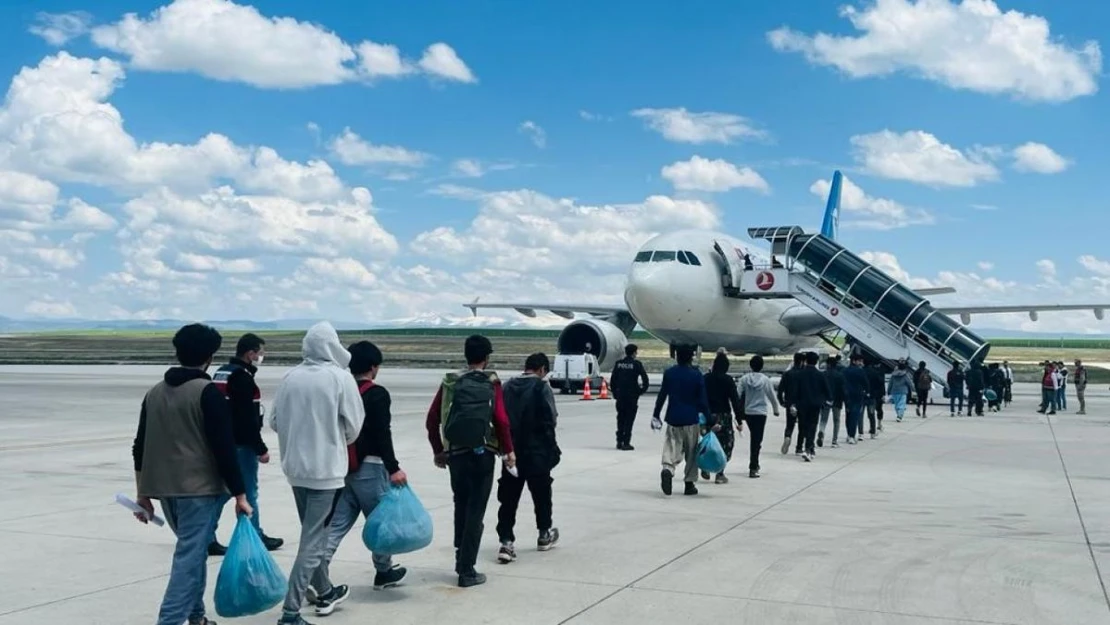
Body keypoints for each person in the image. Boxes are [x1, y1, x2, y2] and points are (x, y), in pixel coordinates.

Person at [132, 323, 251, 625]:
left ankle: (196, 616)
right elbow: (224, 448)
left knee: (194, 554)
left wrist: (143, 494)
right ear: (210, 357)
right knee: (187, 560)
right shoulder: (207, 392)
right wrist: (240, 494)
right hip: (198, 490)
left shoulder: (154, 392)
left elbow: (139, 446)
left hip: (164, 489)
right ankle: (170, 620)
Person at [269, 321, 365, 624]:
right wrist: (331, 438)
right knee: (312, 543)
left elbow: (273, 421)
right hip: (326, 473)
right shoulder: (340, 378)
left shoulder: (290, 377)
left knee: (313, 536)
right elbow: (354, 426)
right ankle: (290, 611)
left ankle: (324, 590)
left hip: (295, 470)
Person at [309, 341, 407, 605]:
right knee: (380, 523)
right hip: (371, 467)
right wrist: (393, 467)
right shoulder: (376, 394)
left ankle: (316, 577)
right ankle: (383, 571)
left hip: (342, 467)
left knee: (337, 525)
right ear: (374, 368)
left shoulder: (339, 389)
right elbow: (381, 433)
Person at [425, 335, 516, 588]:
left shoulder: (451, 382)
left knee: (461, 505)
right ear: (487, 358)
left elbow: (432, 419)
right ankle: (467, 570)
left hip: (456, 455)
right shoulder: (491, 382)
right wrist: (508, 451)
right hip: (483, 454)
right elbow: (501, 419)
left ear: (466, 355)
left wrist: (438, 450)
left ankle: (459, 557)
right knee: (476, 510)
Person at [208, 333, 283, 556]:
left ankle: (205, 534)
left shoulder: (221, 372)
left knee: (222, 491)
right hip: (240, 444)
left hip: (220, 442)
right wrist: (260, 448)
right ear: (250, 353)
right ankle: (255, 535)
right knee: (248, 492)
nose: (262, 356)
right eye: (260, 352)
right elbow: (246, 418)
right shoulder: (242, 378)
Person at [496, 353, 561, 564]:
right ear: (542, 369)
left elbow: (499, 417)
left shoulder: (507, 387)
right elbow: (551, 418)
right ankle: (544, 533)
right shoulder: (542, 388)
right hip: (537, 452)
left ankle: (506, 541)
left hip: (511, 452)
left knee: (508, 499)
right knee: (541, 495)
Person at [653, 345, 713, 495]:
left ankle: (668, 469)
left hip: (673, 417)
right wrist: (709, 418)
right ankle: (689, 484)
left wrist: (656, 414)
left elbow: (662, 395)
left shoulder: (669, 373)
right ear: (691, 358)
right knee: (691, 453)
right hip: (691, 419)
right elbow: (702, 400)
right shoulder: (696, 375)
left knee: (671, 447)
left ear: (676, 357)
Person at [702, 351, 744, 483]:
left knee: (707, 441)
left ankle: (705, 466)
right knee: (726, 444)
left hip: (708, 414)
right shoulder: (728, 380)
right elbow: (734, 400)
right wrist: (739, 419)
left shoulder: (705, 378)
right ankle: (720, 473)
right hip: (723, 415)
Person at [738, 355, 780, 478]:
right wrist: (776, 409)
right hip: (761, 413)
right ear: (762, 366)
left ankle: (754, 464)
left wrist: (737, 411)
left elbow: (737, 394)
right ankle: (753, 466)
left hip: (748, 412)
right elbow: (771, 395)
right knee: (757, 440)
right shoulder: (765, 380)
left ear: (750, 365)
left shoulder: (744, 379)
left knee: (754, 438)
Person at [610, 343, 650, 450]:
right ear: (633, 353)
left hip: (621, 396)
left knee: (620, 419)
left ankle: (619, 441)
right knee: (629, 420)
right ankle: (626, 442)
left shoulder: (619, 364)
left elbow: (613, 380)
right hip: (632, 396)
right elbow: (645, 379)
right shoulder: (637, 364)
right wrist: (641, 391)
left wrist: (615, 392)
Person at [792, 351, 829, 461]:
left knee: (803, 426)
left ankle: (807, 447)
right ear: (817, 361)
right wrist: (826, 400)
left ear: (806, 360)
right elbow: (826, 390)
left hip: (802, 404)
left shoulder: (799, 374)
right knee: (812, 426)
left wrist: (793, 403)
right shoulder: (820, 375)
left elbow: (795, 390)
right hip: (815, 405)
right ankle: (808, 448)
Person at [778, 352, 805, 455]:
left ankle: (788, 437)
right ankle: (799, 448)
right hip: (802, 403)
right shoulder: (804, 374)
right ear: (802, 362)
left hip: (790, 402)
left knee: (790, 424)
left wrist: (781, 401)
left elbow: (780, 389)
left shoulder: (787, 374)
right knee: (802, 426)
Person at [818, 355, 845, 449]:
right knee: (836, 420)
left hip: (825, 400)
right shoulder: (840, 375)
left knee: (823, 419)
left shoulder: (823, 374)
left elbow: (820, 389)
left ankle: (821, 431)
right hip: (837, 400)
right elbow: (842, 389)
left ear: (828, 364)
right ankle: (834, 441)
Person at [843, 354, 870, 442]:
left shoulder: (845, 371)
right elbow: (865, 383)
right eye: (859, 361)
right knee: (855, 415)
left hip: (847, 395)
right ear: (854, 361)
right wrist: (867, 392)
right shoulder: (860, 371)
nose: (860, 363)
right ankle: (852, 435)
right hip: (858, 395)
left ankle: (848, 434)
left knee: (848, 415)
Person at [866, 360, 886, 433]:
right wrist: (884, 394)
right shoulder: (880, 372)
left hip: (871, 393)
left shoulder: (870, 371)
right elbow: (882, 383)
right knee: (879, 409)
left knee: (871, 411)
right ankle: (879, 424)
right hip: (879, 394)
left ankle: (872, 426)